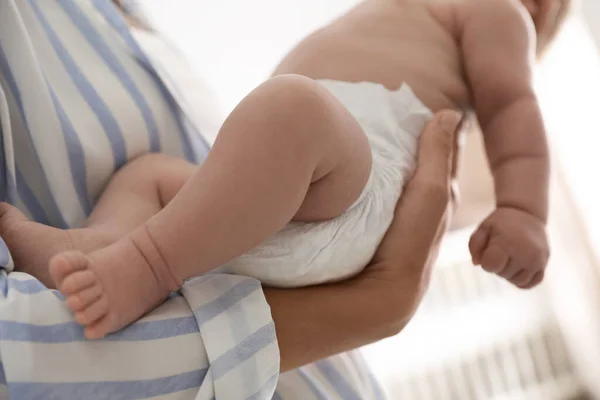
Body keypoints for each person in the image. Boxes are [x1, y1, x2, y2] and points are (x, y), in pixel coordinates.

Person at [0, 0, 565, 340]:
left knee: (293, 107)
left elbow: (512, 106)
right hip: (283, 200)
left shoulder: (501, 12)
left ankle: (144, 265)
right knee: (150, 175)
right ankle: (86, 251)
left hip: (358, 186)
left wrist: (523, 211)